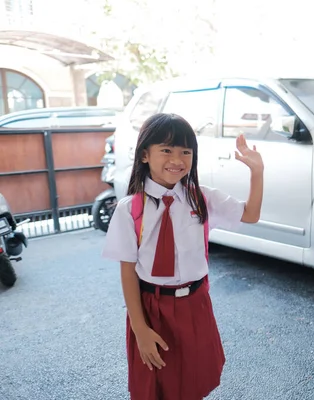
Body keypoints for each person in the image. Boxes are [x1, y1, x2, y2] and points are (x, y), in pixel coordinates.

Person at [101, 113, 264, 400]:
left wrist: (257, 172)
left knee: (192, 383)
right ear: (144, 156)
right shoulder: (130, 210)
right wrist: (140, 329)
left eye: (185, 152)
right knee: (154, 386)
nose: (177, 159)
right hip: (152, 308)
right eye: (166, 150)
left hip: (195, 305)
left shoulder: (201, 198)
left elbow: (250, 214)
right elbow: (128, 272)